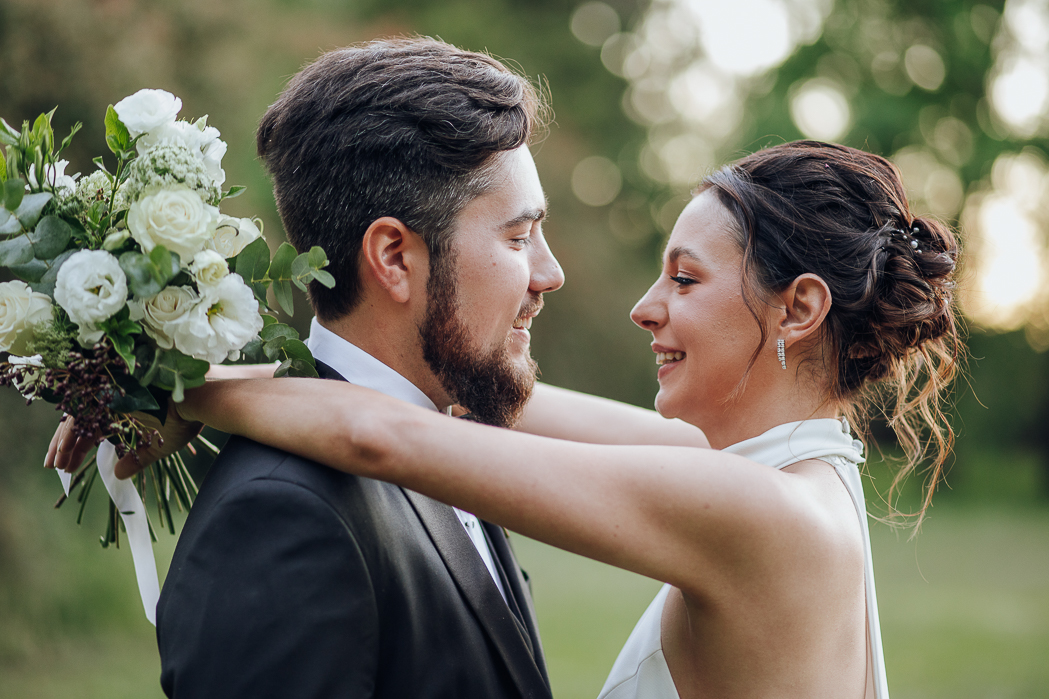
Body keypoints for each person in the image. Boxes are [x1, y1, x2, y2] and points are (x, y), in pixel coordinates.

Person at [53, 139, 959, 698]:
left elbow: (389, 434)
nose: (644, 308)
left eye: (684, 279)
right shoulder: (794, 476)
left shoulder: (759, 515)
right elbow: (486, 402)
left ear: (799, 310)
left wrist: (170, 386)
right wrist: (252, 354)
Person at [42, 37, 706, 699]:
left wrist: (202, 390)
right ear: (392, 256)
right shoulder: (280, 515)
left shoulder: (451, 439)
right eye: (517, 237)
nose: (549, 273)